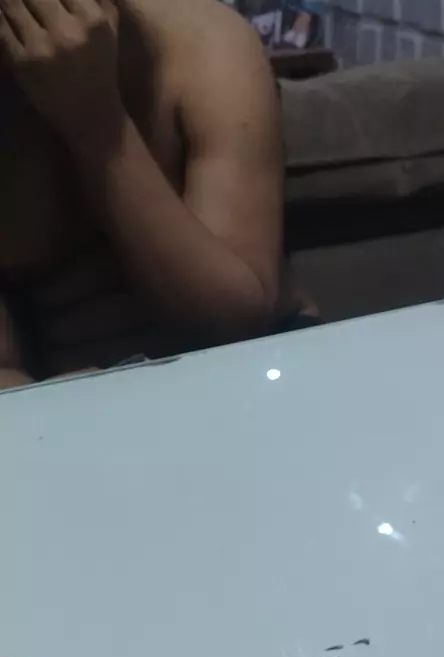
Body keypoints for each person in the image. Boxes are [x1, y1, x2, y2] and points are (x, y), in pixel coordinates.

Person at [0, 0, 313, 389]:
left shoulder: (204, 42)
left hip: (259, 366)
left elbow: (235, 324)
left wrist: (98, 124)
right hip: (68, 398)